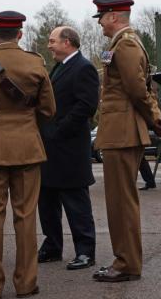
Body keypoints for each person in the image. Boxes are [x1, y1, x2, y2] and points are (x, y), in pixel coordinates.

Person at [0, 11, 56, 299]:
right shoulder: (35, 63)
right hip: (28, 149)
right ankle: (26, 283)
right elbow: (48, 110)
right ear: (20, 34)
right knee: (26, 218)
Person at [90, 0, 161, 283]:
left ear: (114, 17)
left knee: (121, 202)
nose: (99, 22)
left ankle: (127, 263)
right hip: (119, 129)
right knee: (119, 200)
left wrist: (155, 118)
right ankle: (125, 260)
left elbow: (138, 89)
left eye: (102, 17)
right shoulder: (119, 44)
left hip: (122, 131)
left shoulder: (126, 45)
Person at [37, 26, 98, 270]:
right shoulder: (60, 67)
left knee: (76, 204)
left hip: (70, 149)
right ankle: (52, 246)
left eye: (53, 41)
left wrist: (58, 130)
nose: (49, 45)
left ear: (68, 42)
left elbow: (86, 106)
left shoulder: (84, 68)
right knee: (47, 201)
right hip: (51, 149)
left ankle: (85, 251)